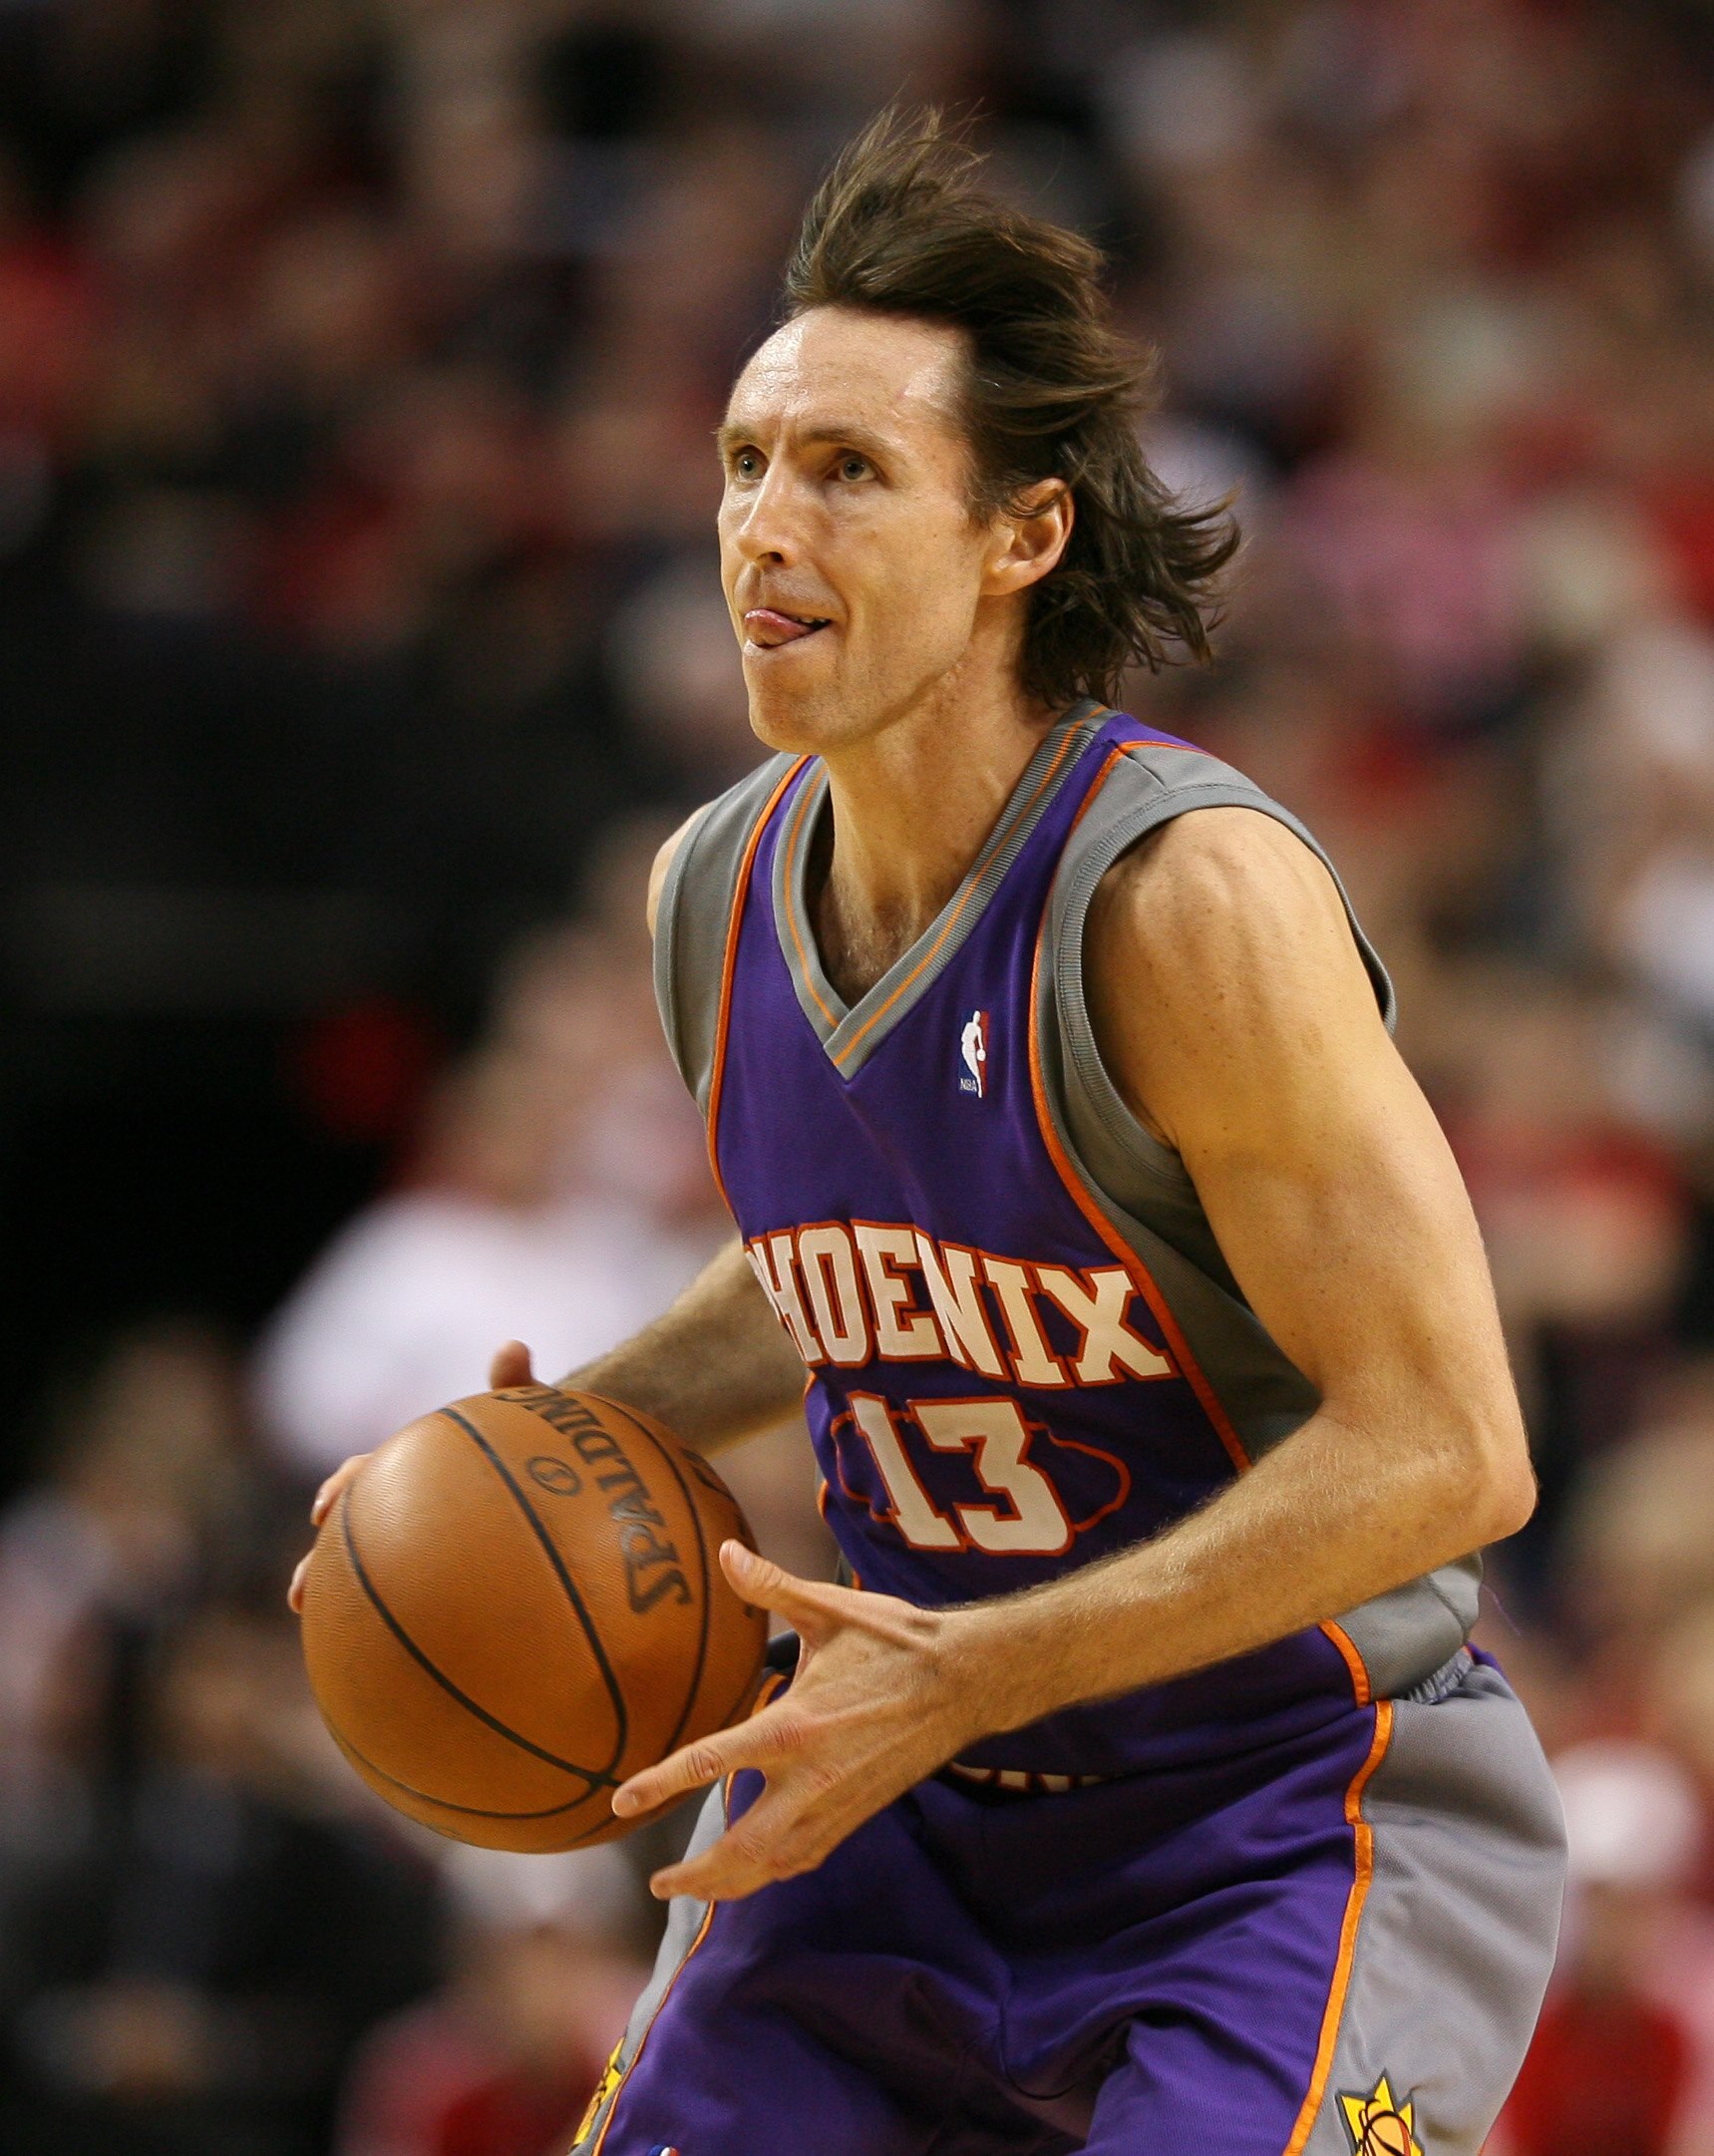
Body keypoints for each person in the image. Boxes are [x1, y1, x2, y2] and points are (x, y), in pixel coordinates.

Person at [296, 112, 1565, 2153]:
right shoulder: (704, 892)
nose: (759, 524)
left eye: (845, 470)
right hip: (889, 1804)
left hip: (1284, 1814)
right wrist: (492, 1459)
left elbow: (1448, 1446)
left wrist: (968, 1669)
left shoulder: (1178, 900)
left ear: (1019, 538)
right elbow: (853, 1259)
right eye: (739, 462)